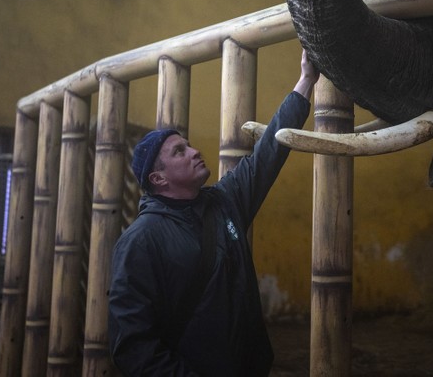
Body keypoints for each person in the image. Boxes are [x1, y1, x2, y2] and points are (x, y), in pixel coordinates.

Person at [108, 51, 319, 376]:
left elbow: (268, 155)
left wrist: (306, 80)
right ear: (158, 178)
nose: (194, 151)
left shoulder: (224, 202)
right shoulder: (139, 241)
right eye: (180, 151)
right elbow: (133, 347)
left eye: (189, 145)